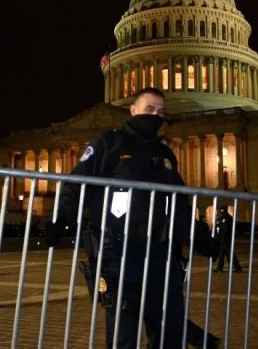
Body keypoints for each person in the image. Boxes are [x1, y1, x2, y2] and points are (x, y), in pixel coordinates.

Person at [44, 87, 215, 349]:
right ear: (133, 110)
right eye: (149, 109)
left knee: (170, 322)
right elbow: (77, 183)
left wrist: (199, 236)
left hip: (160, 249)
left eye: (160, 111)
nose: (155, 115)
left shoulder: (165, 154)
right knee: (124, 324)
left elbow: (178, 203)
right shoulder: (108, 143)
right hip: (120, 248)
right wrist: (60, 219)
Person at [214, 205, 242, 272]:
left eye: (222, 210)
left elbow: (226, 230)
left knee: (231, 255)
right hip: (222, 240)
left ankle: (238, 268)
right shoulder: (222, 219)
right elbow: (219, 228)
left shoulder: (228, 218)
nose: (221, 211)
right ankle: (219, 268)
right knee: (221, 255)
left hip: (227, 240)